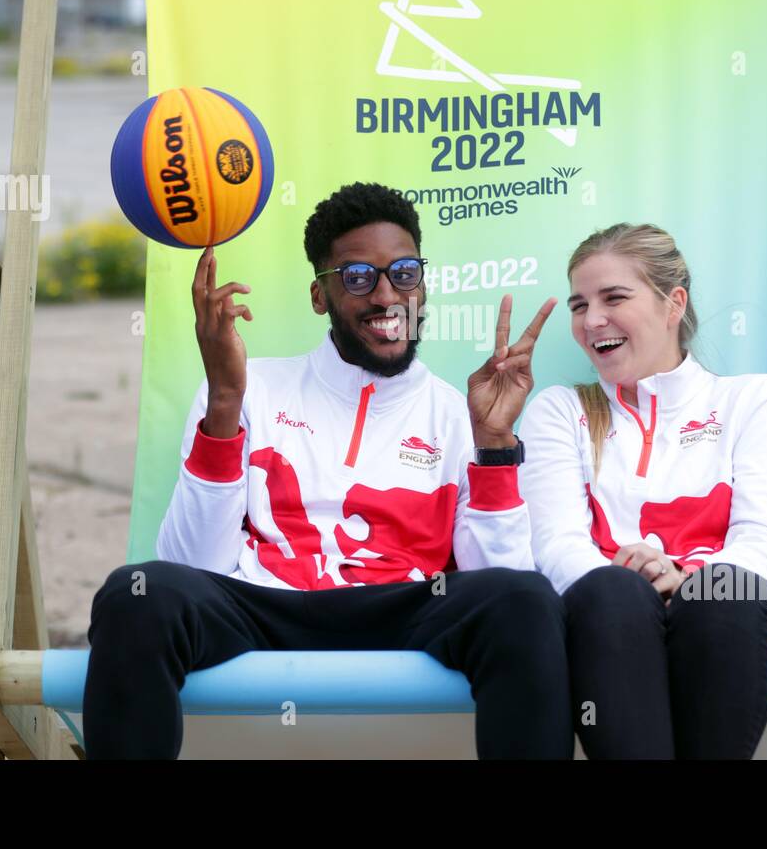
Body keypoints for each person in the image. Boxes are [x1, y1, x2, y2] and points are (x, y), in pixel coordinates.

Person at [84, 182, 573, 759]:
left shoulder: (461, 411)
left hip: (404, 611)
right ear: (320, 296)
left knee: (527, 598)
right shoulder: (250, 386)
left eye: (405, 273)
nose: (387, 295)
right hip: (264, 608)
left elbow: (500, 579)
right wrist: (223, 400)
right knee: (136, 593)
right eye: (359, 277)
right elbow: (192, 567)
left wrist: (494, 446)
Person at [519, 222, 767, 759]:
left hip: (733, 623)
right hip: (613, 623)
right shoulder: (559, 412)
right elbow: (554, 548)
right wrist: (637, 584)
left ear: (673, 304)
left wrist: (681, 579)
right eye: (579, 305)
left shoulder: (755, 401)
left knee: (720, 592)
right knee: (610, 593)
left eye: (614, 298)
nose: (592, 320)